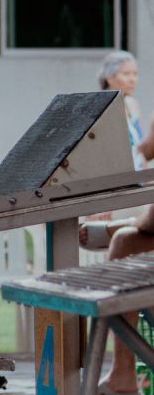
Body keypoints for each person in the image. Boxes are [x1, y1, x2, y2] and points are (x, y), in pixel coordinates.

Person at [79, 50, 154, 394]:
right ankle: (128, 373)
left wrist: (110, 228)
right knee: (127, 240)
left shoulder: (134, 108)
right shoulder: (105, 106)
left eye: (135, 73)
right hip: (124, 188)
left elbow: (147, 150)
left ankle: (126, 373)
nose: (133, 80)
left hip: (134, 193)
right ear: (109, 77)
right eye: (126, 73)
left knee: (125, 242)